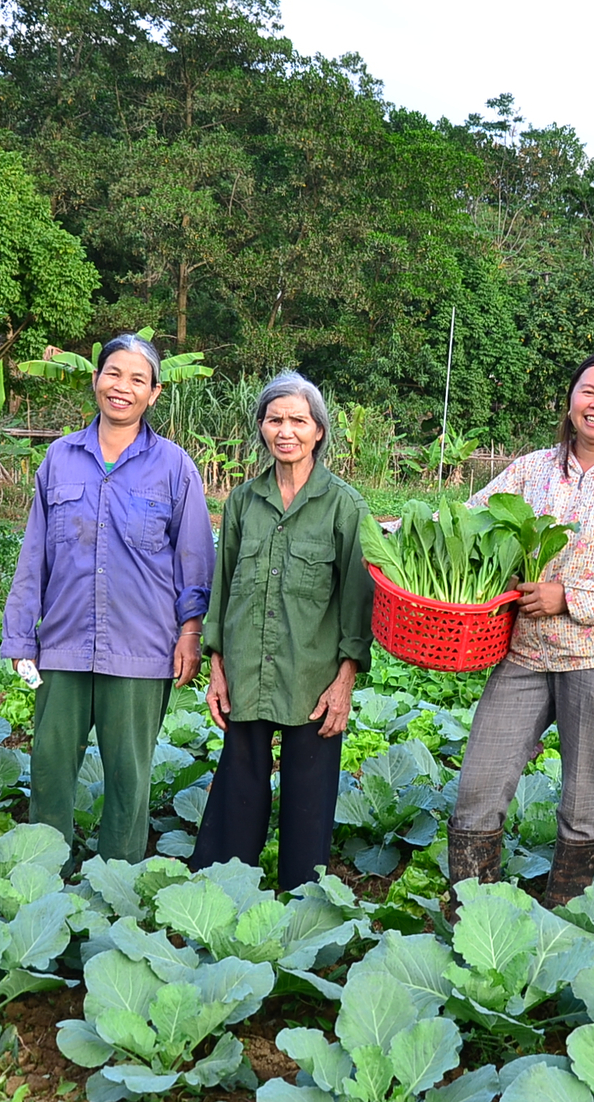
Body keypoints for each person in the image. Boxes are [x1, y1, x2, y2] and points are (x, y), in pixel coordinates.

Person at [448, 352, 594, 906]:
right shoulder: (531, 469)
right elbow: (468, 519)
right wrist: (396, 530)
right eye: (588, 391)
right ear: (571, 399)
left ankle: (566, 911)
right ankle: (471, 910)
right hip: (523, 653)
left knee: (583, 799)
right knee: (480, 783)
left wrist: (568, 597)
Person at [3, 335, 213, 865]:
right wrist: (21, 633)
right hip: (65, 643)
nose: (122, 387)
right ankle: (44, 876)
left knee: (128, 776)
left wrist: (191, 633)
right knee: (49, 766)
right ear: (96, 380)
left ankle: (117, 885)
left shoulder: (173, 466)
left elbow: (195, 560)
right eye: (113, 374)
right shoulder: (60, 458)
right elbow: (34, 555)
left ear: (155, 393)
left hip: (141, 649)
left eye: (137, 379)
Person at [192, 371, 373, 891]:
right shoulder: (243, 502)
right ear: (261, 428)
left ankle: (304, 905)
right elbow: (222, 587)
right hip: (248, 667)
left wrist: (344, 682)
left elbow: (356, 604)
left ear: (319, 430)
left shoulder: (344, 505)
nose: (285, 430)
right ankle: (222, 896)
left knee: (309, 798)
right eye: (275, 420)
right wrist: (217, 667)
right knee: (238, 789)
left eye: (299, 420)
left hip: (314, 678)